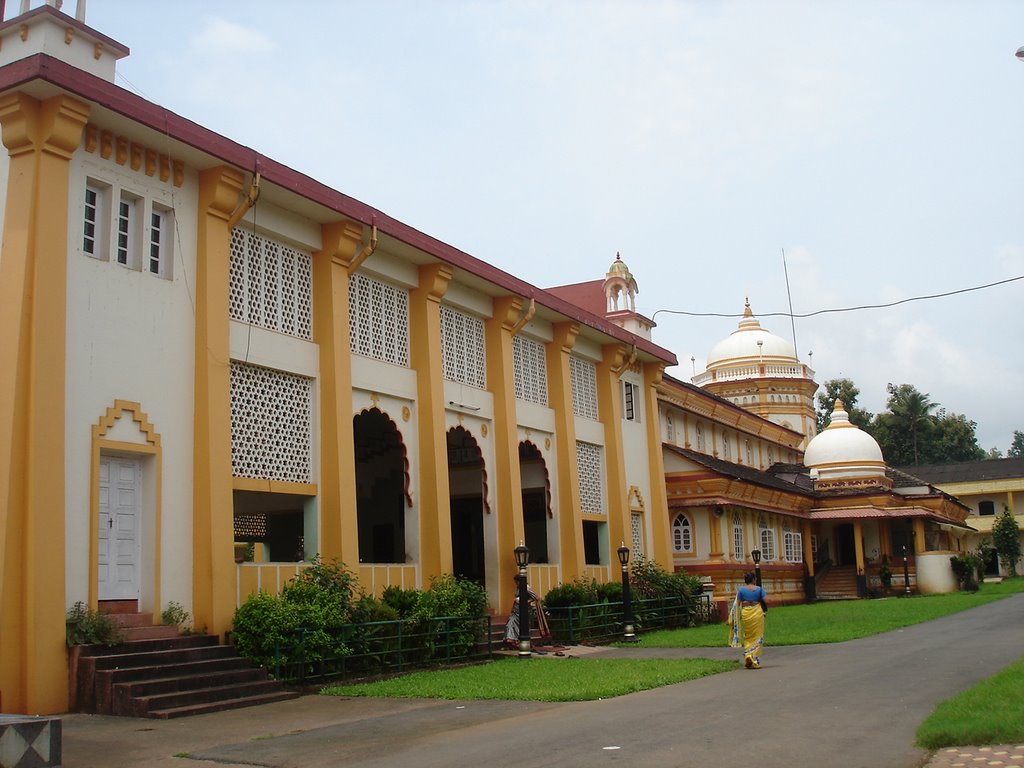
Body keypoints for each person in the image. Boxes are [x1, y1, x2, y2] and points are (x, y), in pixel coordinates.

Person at [728, 571, 767, 669]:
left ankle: (748, 655)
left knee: (748, 636)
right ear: (754, 579)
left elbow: (737, 604)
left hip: (746, 613)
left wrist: (734, 617)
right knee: (758, 635)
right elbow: (767, 600)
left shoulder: (741, 590)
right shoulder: (759, 589)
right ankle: (753, 657)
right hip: (757, 613)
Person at [504, 575, 551, 646]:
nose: (516, 583)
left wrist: (526, 602)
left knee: (522, 625)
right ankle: (512, 639)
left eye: (517, 582)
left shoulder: (526, 587)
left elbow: (535, 597)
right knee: (511, 623)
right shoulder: (518, 588)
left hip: (523, 610)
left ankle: (520, 641)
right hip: (516, 610)